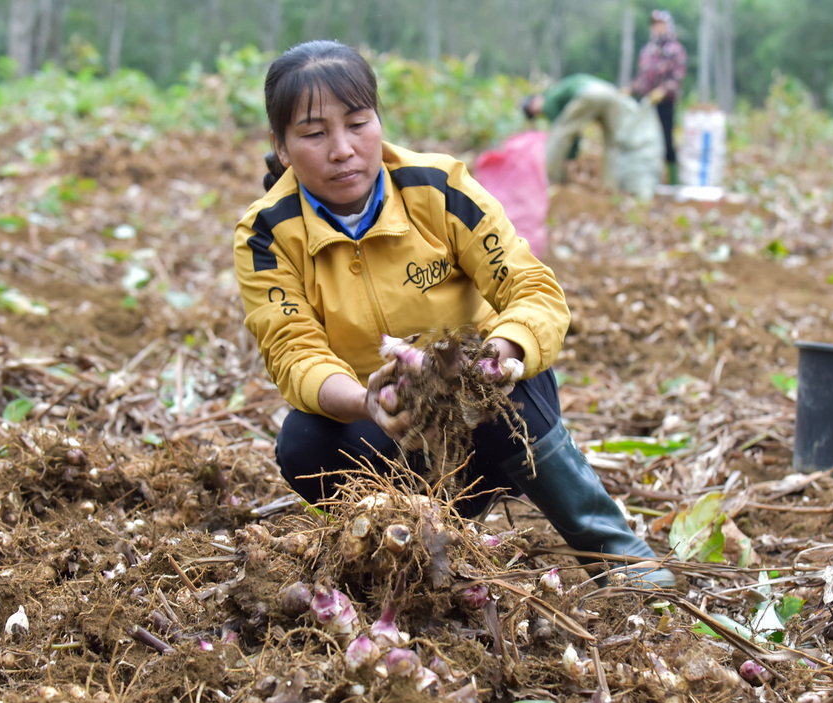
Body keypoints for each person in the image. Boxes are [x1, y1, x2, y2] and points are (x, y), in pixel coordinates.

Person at [233, 40, 675, 589]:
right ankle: (408, 543)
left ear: (379, 121)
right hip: (383, 431)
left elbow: (534, 290)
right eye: (314, 133)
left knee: (506, 385)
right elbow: (292, 350)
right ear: (281, 147)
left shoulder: (439, 189)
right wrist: (367, 401)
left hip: (485, 420)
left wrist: (496, 355)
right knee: (304, 442)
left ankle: (620, 557)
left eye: (358, 124)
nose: (343, 149)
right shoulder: (267, 233)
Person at [521, 74, 663, 199]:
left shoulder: (549, 99)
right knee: (611, 143)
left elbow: (567, 134)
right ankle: (611, 188)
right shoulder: (558, 91)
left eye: (532, 110)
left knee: (561, 132)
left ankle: (548, 177)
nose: (537, 113)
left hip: (591, 93)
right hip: (611, 93)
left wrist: (570, 156)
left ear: (536, 99)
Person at [631, 9, 687, 185]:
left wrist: (663, 91)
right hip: (646, 102)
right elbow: (641, 77)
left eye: (660, 24)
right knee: (643, 140)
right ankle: (647, 179)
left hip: (665, 103)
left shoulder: (675, 50)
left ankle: (672, 180)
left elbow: (677, 78)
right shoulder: (648, 50)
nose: (657, 28)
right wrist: (630, 89)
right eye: (654, 25)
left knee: (666, 140)